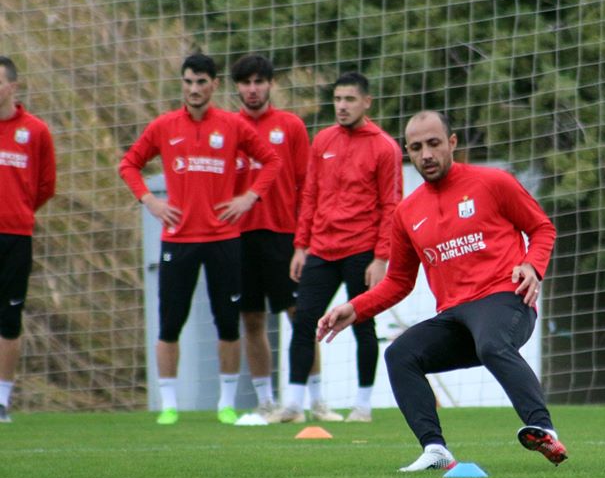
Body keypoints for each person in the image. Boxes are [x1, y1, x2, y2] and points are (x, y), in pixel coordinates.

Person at [317, 110, 568, 471]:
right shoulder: (406, 213)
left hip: (506, 300)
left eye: (434, 144)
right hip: (455, 317)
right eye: (417, 148)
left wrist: (533, 265)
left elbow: (542, 228)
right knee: (401, 354)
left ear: (452, 143)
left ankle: (543, 429)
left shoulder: (493, 182)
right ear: (408, 151)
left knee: (492, 343)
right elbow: (399, 282)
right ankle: (435, 450)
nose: (427, 155)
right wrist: (354, 308)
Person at [119, 53, 281, 425]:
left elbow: (270, 161)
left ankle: (225, 403)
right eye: (188, 82)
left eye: (201, 82)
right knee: (170, 322)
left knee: (227, 321)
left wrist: (249, 197)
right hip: (178, 239)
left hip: (224, 238)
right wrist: (150, 201)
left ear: (214, 85)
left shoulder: (231, 126)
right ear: (183, 84)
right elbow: (128, 164)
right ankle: (169, 406)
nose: (194, 89)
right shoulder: (164, 126)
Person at [285, 71, 402, 423]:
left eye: (349, 99)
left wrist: (381, 257)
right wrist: (301, 245)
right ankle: (294, 405)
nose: (342, 106)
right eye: (337, 99)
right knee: (304, 321)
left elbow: (391, 205)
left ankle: (362, 406)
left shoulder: (384, 147)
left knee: (363, 326)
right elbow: (311, 195)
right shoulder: (322, 141)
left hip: (361, 251)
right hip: (320, 247)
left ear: (366, 102)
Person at [229, 54, 339, 422]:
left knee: (302, 317)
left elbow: (307, 186)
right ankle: (265, 401)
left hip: (284, 237)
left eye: (259, 81)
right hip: (239, 237)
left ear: (271, 85)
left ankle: (317, 400)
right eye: (246, 83)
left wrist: (303, 240)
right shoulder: (227, 128)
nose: (253, 89)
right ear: (237, 88)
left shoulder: (290, 126)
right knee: (252, 320)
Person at [0, 56, 56, 424]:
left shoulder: (35, 132)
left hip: (16, 236)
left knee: (9, 319)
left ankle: (2, 400)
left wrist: (17, 209)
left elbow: (45, 186)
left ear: (13, 86)